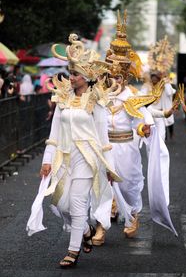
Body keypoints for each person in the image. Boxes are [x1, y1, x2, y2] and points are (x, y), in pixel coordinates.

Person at [26, 33, 121, 268]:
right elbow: (54, 133)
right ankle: (86, 229)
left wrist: (110, 167)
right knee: (60, 203)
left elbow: (103, 138)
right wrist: (47, 161)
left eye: (76, 74)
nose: (72, 77)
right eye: (71, 73)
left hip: (87, 159)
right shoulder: (62, 98)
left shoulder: (96, 102)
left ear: (87, 77)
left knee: (78, 203)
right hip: (64, 158)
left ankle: (73, 250)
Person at [92, 11, 177, 246]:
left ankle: (132, 216)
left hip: (126, 147)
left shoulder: (132, 96)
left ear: (126, 76)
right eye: (112, 74)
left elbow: (142, 121)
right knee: (102, 186)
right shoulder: (100, 96)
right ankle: (101, 226)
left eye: (119, 76)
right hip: (105, 147)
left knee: (128, 186)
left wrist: (143, 130)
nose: (115, 79)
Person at [141, 36, 177, 141]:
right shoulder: (147, 86)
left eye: (156, 78)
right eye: (153, 78)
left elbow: (170, 92)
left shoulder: (164, 86)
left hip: (161, 115)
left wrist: (165, 81)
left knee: (161, 138)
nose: (154, 80)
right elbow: (141, 97)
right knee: (150, 139)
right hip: (150, 115)